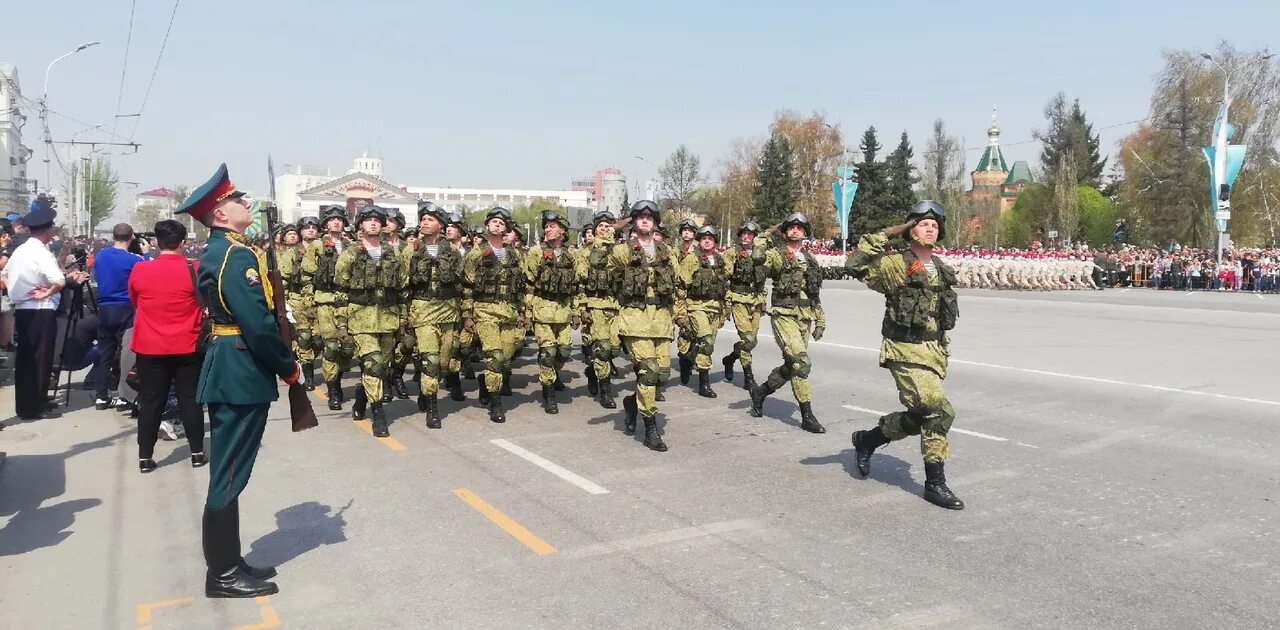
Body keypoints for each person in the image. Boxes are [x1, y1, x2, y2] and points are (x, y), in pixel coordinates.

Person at [178, 164, 301, 597]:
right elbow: (256, 323)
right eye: (236, 200)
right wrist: (287, 364)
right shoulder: (234, 255)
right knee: (229, 472)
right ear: (219, 215)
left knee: (229, 469)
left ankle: (230, 561)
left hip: (231, 362)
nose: (244, 204)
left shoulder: (223, 251)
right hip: (241, 367)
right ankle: (223, 575)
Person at [845, 200, 964, 510]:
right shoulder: (895, 265)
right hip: (904, 350)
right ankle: (934, 484)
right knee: (939, 411)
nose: (930, 228)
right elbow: (854, 265)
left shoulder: (940, 269)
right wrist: (888, 233)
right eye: (923, 223)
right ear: (911, 230)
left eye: (935, 225)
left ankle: (869, 439)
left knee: (921, 416)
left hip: (933, 352)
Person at [128, 220, 207, 472]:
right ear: (183, 243)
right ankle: (197, 452)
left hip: (150, 346)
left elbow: (135, 301)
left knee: (151, 402)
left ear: (156, 242)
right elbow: (202, 301)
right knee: (190, 400)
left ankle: (144, 458)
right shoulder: (194, 269)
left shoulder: (140, 270)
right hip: (188, 344)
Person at [5, 196, 85, 419]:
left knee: (27, 358)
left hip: (23, 308)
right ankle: (34, 406)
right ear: (46, 230)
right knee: (40, 358)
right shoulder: (41, 252)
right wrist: (48, 290)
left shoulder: (21, 250)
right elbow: (59, 281)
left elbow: (5, 273)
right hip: (40, 309)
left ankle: (31, 400)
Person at [748, 212, 826, 434]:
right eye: (791, 227)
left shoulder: (810, 259)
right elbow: (757, 256)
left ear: (805, 232)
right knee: (802, 363)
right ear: (784, 231)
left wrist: (820, 320)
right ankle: (807, 416)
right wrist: (769, 231)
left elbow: (814, 293)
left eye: (800, 228)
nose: (795, 230)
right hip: (783, 315)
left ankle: (761, 391)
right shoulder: (775, 254)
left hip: (805, 317)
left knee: (793, 366)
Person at [610, 200, 676, 452]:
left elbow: (680, 282)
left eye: (649, 217)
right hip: (635, 318)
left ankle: (631, 403)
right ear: (634, 222)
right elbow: (597, 255)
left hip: (660, 319)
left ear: (656, 222)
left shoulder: (666, 251)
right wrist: (620, 224)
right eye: (640, 217)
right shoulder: (623, 250)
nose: (645, 220)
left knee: (661, 375)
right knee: (648, 371)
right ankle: (650, 428)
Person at [335, 205, 404, 437]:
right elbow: (341, 292)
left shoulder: (394, 254)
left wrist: (403, 320)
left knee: (381, 368)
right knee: (374, 363)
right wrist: (342, 325)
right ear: (360, 226)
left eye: (377, 220)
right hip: (361, 319)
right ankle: (379, 415)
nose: (373, 223)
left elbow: (402, 289)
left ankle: (362, 396)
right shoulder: (349, 255)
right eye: (368, 220)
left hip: (388, 318)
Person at [401, 201, 464, 428]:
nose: (425, 223)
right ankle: (432, 407)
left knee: (444, 363)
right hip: (422, 310)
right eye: (423, 219)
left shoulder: (454, 252)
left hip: (447, 311)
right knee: (432, 360)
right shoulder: (410, 251)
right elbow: (401, 285)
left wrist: (464, 314)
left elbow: (461, 285)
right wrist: (403, 316)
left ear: (441, 224)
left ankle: (425, 388)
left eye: (430, 220)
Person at [462, 207, 525, 423]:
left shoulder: (513, 254)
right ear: (487, 226)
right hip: (485, 310)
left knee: (505, 358)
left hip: (508, 312)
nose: (497, 225)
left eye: (501, 223)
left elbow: (519, 286)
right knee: (495, 357)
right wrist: (468, 316)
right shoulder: (476, 254)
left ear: (506, 228)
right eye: (494, 222)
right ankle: (496, 404)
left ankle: (485, 384)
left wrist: (521, 311)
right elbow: (467, 287)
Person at [522, 210, 579, 414]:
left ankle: (553, 375)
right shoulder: (536, 252)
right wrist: (528, 314)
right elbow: (529, 285)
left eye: (552, 226)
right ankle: (549, 394)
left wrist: (576, 311)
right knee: (548, 353)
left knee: (564, 351)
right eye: (546, 226)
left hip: (563, 310)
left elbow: (575, 287)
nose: (548, 229)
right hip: (542, 309)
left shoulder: (572, 255)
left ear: (562, 230)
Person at [302, 205, 355, 410]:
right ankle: (333, 388)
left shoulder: (351, 245)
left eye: (339, 219)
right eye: (332, 219)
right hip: (325, 300)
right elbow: (306, 276)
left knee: (346, 348)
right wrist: (309, 304)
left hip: (348, 302)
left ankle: (338, 378)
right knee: (331, 346)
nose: (336, 222)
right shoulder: (317, 246)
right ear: (325, 223)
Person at [92, 223, 144, 410]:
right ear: (131, 238)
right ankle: (125, 396)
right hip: (125, 308)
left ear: (113, 236)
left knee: (104, 353)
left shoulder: (101, 255)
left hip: (104, 308)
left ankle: (101, 396)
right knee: (126, 354)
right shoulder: (134, 259)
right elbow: (147, 270)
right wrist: (145, 253)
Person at [575, 212, 622, 409]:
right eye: (601, 226)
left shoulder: (619, 252)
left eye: (608, 225)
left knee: (614, 349)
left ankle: (593, 373)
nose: (605, 229)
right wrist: (581, 308)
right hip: (595, 304)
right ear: (594, 231)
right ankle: (606, 391)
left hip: (615, 305)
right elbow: (579, 283)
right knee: (602, 349)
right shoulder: (584, 254)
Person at [676, 225, 729, 398]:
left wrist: (725, 310)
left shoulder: (720, 261)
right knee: (706, 342)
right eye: (704, 238)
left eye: (710, 238)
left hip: (715, 308)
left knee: (706, 343)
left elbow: (725, 287)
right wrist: (681, 313)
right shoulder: (692, 259)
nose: (707, 241)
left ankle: (686, 359)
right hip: (697, 306)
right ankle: (704, 384)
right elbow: (681, 287)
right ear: (699, 241)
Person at [721, 220, 769, 391]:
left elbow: (764, 279)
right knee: (747, 338)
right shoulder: (732, 253)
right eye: (744, 234)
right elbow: (725, 275)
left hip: (755, 299)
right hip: (738, 298)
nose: (747, 237)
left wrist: (763, 301)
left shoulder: (762, 254)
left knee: (752, 341)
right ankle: (748, 377)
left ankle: (730, 358)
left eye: (750, 234)